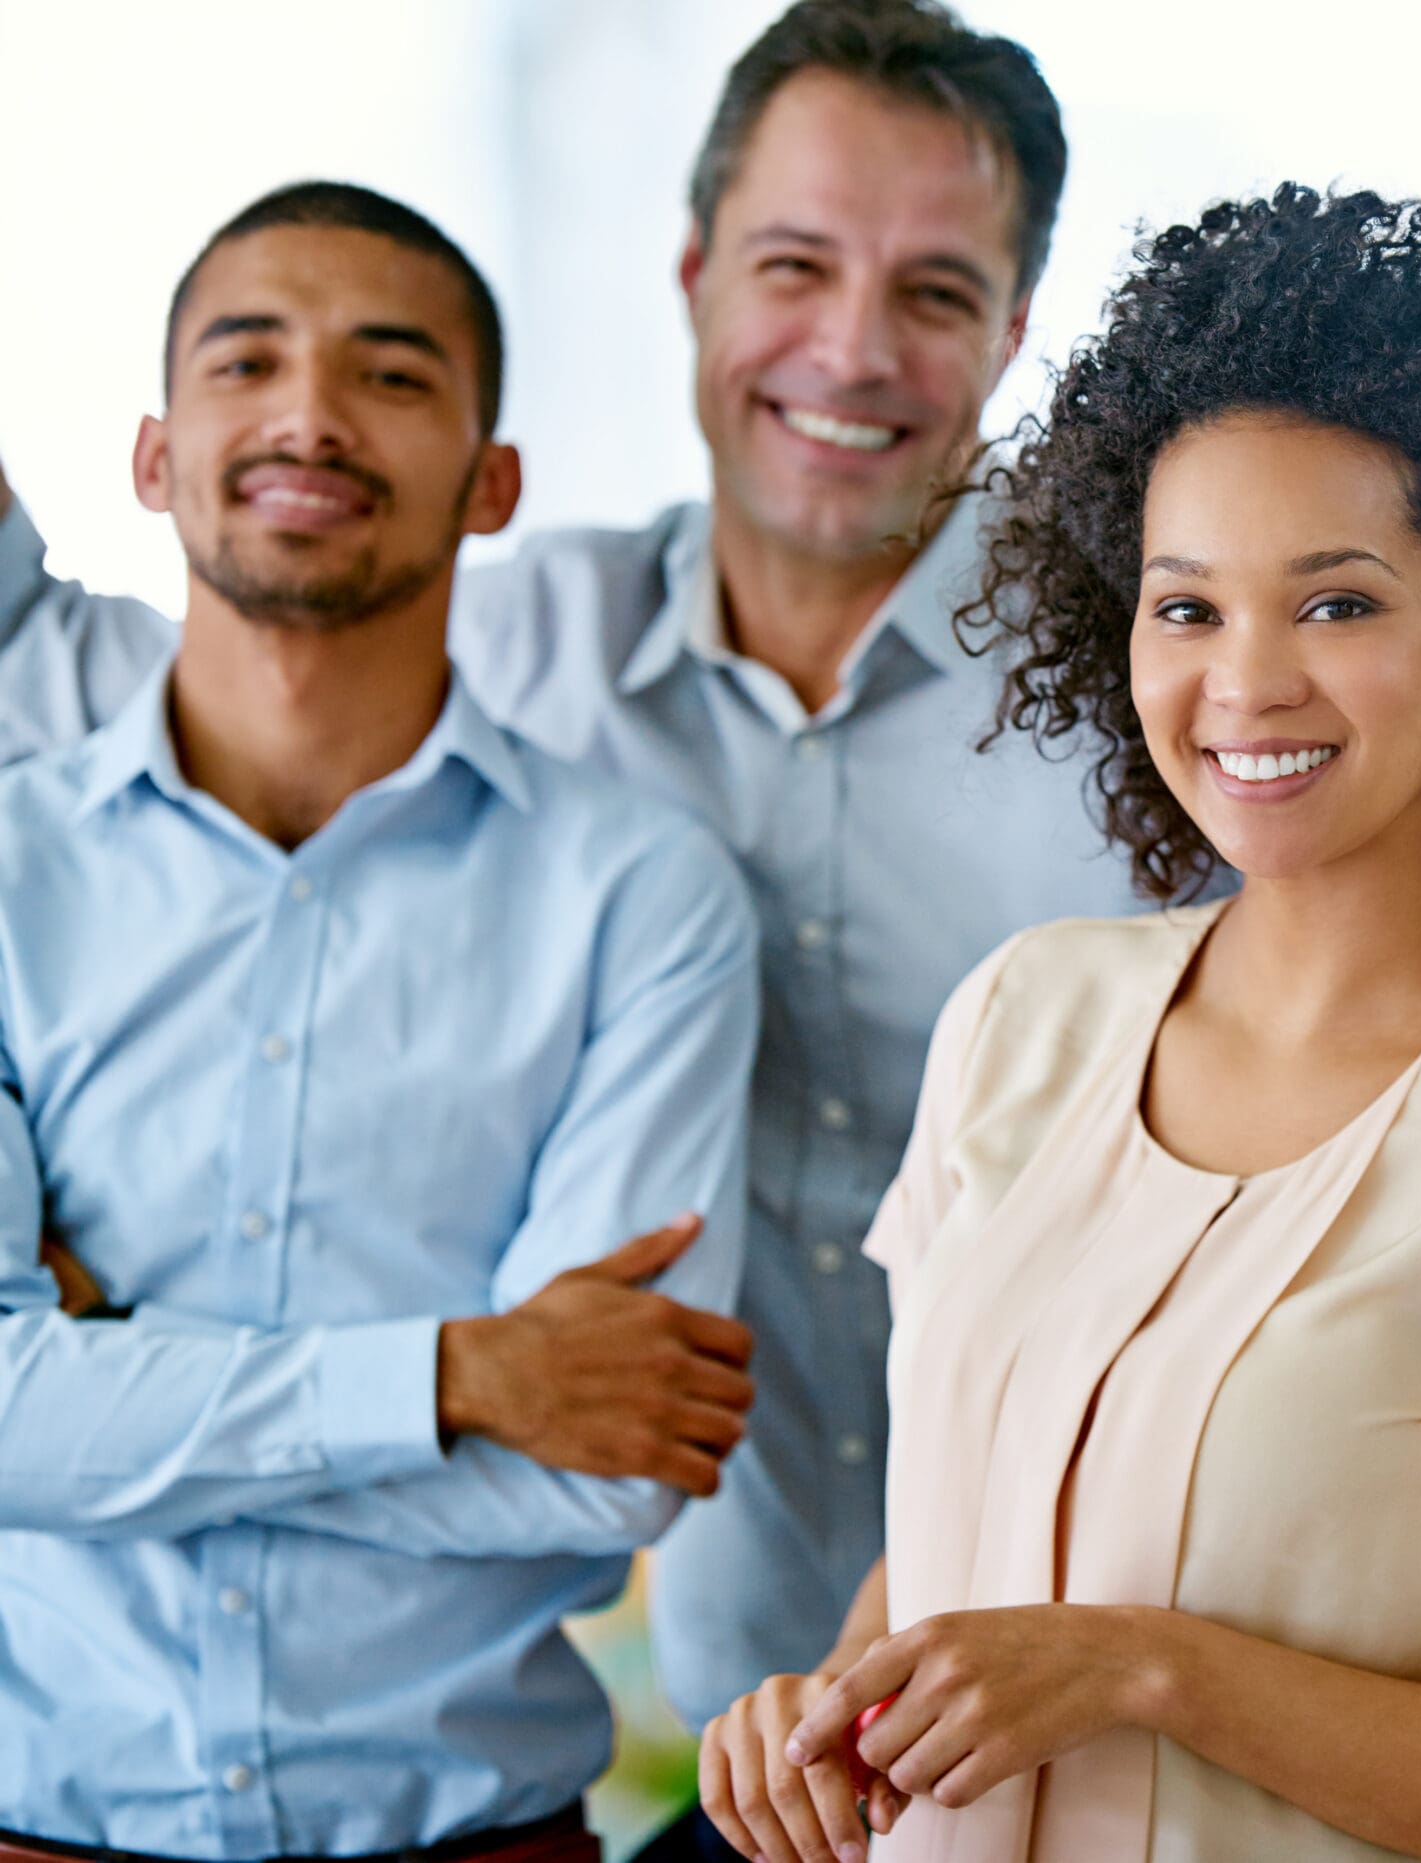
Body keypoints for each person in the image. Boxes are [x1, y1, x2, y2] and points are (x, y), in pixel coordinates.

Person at [0, 10, 1421, 1799]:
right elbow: (145, 658)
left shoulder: (1202, 676)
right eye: (792, 264)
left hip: (1198, 1747)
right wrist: (133, 1314)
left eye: (932, 290)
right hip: (775, 1750)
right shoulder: (492, 656)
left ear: (1012, 331)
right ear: (688, 277)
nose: (850, 346)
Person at [696, 184, 1421, 1863]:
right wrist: (829, 1710)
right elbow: (964, 1531)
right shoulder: (1022, 1019)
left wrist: (1150, 1672)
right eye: (1186, 606)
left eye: (1336, 603)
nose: (1246, 681)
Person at [0, 182, 761, 1862]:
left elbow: (607, 1471)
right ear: (151, 455)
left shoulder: (641, 897)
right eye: (248, 359)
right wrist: (466, 1374)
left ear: (493, 485)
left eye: (392, 375)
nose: (309, 415)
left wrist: (111, 1374)